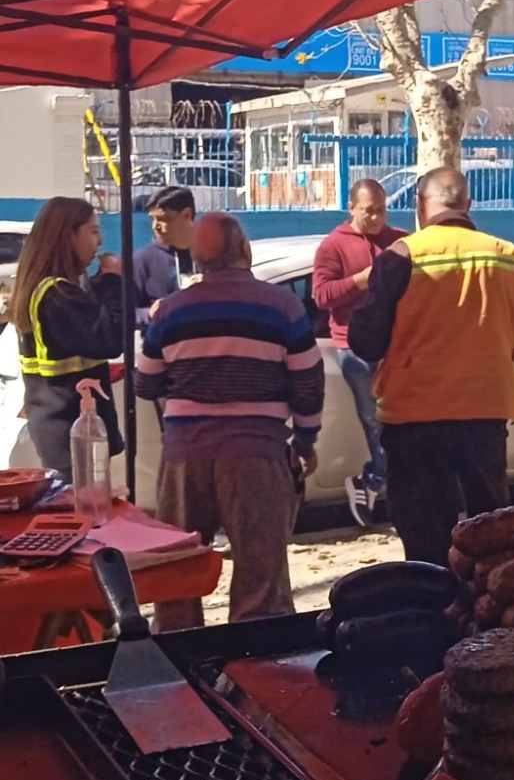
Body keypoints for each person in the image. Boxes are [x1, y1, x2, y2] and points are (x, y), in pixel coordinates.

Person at [136, 211, 324, 629]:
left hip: (185, 455)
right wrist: (305, 441)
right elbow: (308, 384)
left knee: (179, 569)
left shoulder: (170, 311)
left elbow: (146, 383)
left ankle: (184, 662)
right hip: (256, 453)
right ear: (246, 250)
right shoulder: (284, 306)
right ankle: (252, 666)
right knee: (261, 575)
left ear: (198, 260)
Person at [348, 166, 514, 566]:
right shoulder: (504, 254)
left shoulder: (401, 255)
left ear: (420, 204)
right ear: (467, 205)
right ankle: (488, 621)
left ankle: (436, 617)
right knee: (491, 538)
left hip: (416, 417)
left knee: (426, 541)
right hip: (485, 411)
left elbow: (365, 341)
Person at [11, 198, 124, 478]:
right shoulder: (56, 294)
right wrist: (111, 281)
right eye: (93, 231)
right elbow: (108, 340)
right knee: (87, 513)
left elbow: (81, 330)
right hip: (73, 432)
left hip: (63, 428)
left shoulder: (51, 290)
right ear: (69, 235)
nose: (100, 241)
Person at [312, 179, 398, 504]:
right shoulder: (333, 245)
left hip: (395, 346)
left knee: (399, 419)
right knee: (373, 419)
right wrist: (359, 281)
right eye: (368, 211)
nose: (376, 218)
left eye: (380, 210)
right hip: (353, 346)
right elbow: (322, 296)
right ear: (351, 208)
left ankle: (382, 480)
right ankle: (375, 479)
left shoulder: (399, 242)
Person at [134, 186, 196, 321]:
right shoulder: (141, 261)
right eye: (152, 219)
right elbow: (124, 313)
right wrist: (149, 313)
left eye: (164, 219)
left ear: (187, 215)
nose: (155, 226)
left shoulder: (210, 255)